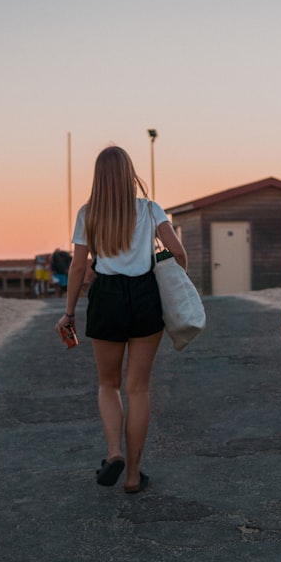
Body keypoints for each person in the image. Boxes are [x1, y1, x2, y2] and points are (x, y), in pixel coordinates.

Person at [55, 145, 187, 494]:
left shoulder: (88, 214)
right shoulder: (149, 209)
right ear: (130, 173)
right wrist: (175, 284)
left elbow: (79, 267)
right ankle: (133, 476)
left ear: (98, 177)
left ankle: (114, 453)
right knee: (138, 388)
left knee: (108, 385)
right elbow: (178, 253)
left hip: (107, 298)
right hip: (145, 296)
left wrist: (69, 313)